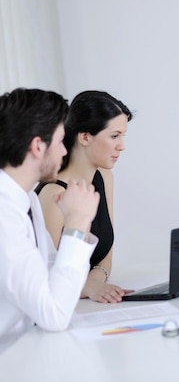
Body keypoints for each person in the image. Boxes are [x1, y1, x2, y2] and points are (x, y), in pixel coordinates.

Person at [0, 88, 100, 353]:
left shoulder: (27, 198)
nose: (65, 152)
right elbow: (54, 314)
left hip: (24, 351)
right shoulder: (4, 214)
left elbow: (51, 270)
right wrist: (77, 223)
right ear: (37, 146)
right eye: (60, 141)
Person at [37, 91, 133, 303]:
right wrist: (87, 287)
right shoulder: (54, 195)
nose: (122, 146)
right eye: (114, 136)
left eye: (123, 136)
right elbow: (44, 279)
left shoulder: (105, 178)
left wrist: (93, 283)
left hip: (86, 306)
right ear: (85, 137)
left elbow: (105, 257)